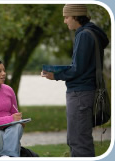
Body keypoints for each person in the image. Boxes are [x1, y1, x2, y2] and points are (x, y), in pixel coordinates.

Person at [41, 4, 109, 157]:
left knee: (78, 141)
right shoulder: (92, 33)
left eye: (66, 17)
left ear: (76, 16)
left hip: (80, 94)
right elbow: (82, 66)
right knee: (77, 138)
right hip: (85, 92)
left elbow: (77, 69)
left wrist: (55, 75)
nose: (65, 21)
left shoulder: (84, 35)